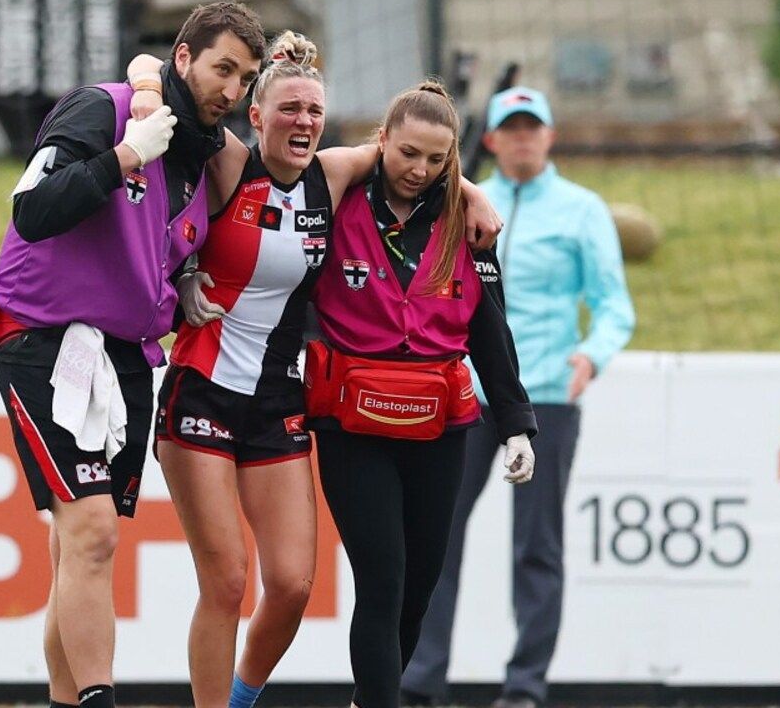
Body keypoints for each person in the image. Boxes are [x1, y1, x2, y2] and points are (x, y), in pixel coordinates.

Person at [124, 37, 504, 708]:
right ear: (256, 113)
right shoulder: (227, 163)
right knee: (227, 581)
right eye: (289, 108)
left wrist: (472, 194)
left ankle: (242, 697)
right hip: (202, 385)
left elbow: (418, 156)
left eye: (314, 111)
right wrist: (183, 271)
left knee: (295, 585)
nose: (303, 122)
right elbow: (154, 70)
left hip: (278, 399)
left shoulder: (332, 173)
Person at [0, 3, 266, 708]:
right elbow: (34, 211)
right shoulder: (105, 110)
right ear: (185, 58)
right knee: (94, 529)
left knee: (78, 546)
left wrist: (182, 278)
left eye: (246, 78)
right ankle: (103, 696)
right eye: (223, 68)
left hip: (128, 357)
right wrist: (124, 154)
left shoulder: (207, 163)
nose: (233, 89)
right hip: (42, 337)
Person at [401, 86, 636, 708]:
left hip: (548, 396)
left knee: (537, 545)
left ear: (550, 137)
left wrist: (593, 354)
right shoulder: (465, 202)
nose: (525, 138)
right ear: (492, 140)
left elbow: (614, 305)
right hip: (466, 395)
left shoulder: (583, 210)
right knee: (437, 538)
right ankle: (421, 680)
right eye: (514, 128)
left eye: (535, 128)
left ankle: (525, 687)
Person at [305, 81, 537, 708]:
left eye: (438, 161)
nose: (420, 171)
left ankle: (368, 698)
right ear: (381, 140)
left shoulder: (469, 223)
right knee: (382, 581)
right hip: (351, 427)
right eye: (408, 153)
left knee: (418, 588)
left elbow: (491, 327)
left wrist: (515, 423)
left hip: (440, 430)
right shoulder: (336, 198)